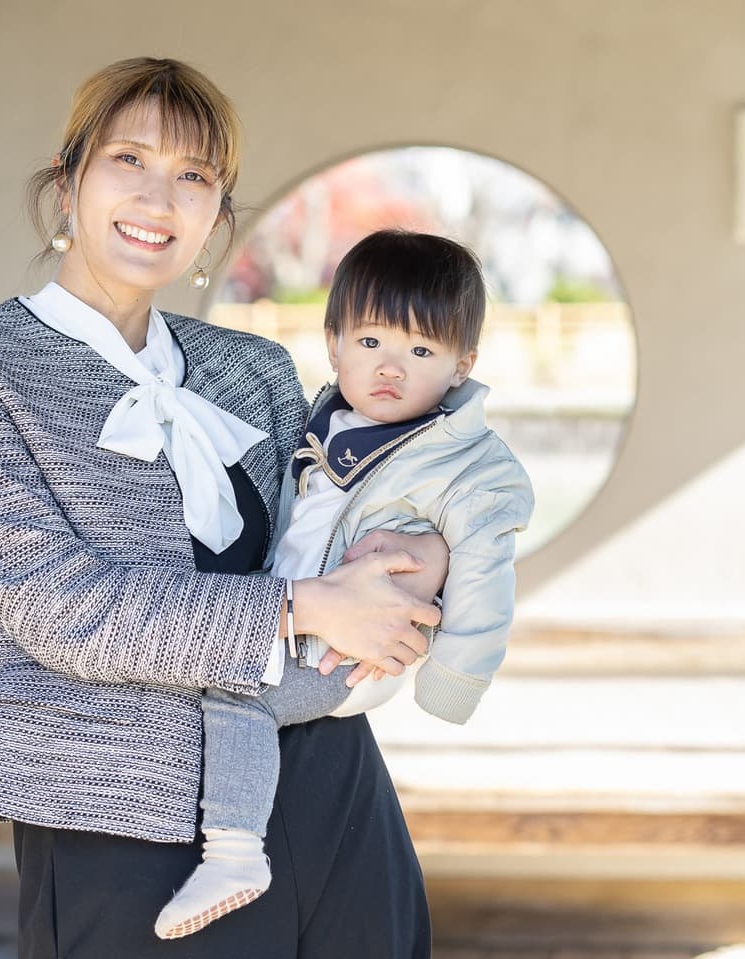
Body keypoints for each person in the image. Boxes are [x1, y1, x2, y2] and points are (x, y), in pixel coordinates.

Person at [0, 58, 448, 958]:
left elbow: (343, 521)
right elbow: (60, 609)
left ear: (216, 219)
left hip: (327, 784)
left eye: (194, 176)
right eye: (129, 160)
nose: (159, 199)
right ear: (67, 183)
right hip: (116, 811)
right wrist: (305, 606)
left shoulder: (254, 369)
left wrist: (416, 563)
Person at [155, 229, 535, 938]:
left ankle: (233, 854)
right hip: (305, 622)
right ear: (333, 345)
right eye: (370, 342)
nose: (390, 367)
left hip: (350, 652)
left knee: (237, 694)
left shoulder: (467, 465)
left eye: (421, 352)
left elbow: (486, 574)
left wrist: (453, 680)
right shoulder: (324, 425)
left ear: (461, 366)